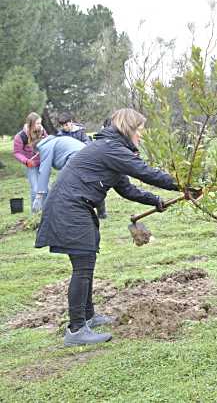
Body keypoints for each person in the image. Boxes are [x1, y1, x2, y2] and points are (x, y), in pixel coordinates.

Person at [35, 108, 180, 347]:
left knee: (86, 263)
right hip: (70, 208)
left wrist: (155, 200)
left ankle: (88, 316)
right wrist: (181, 184)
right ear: (129, 128)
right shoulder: (111, 149)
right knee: (82, 267)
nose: (141, 136)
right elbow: (144, 172)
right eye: (140, 131)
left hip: (75, 206)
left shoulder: (110, 150)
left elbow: (126, 189)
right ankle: (76, 329)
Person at [31, 134, 87, 213]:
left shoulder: (44, 147)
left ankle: (60, 211)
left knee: (60, 185)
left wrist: (39, 196)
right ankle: (100, 209)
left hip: (75, 157)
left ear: (37, 150)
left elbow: (44, 170)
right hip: (86, 154)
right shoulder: (54, 141)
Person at [13, 112, 48, 212]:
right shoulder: (20, 137)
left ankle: (46, 211)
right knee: (35, 189)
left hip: (43, 163)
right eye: (37, 123)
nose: (40, 125)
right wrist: (26, 161)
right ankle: (35, 213)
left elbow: (48, 143)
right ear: (30, 124)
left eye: (40, 123)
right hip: (31, 165)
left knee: (45, 188)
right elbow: (16, 152)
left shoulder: (42, 131)